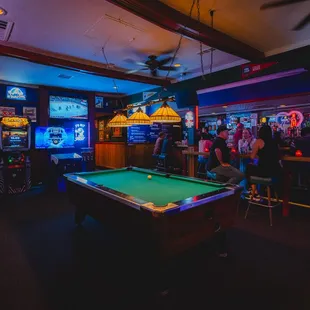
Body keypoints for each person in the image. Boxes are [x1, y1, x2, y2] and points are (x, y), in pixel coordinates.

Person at [246, 125, 282, 201]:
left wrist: (258, 156)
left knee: (249, 167)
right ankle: (265, 191)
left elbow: (252, 156)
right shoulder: (275, 141)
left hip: (265, 171)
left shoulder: (259, 141)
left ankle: (254, 192)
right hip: (276, 171)